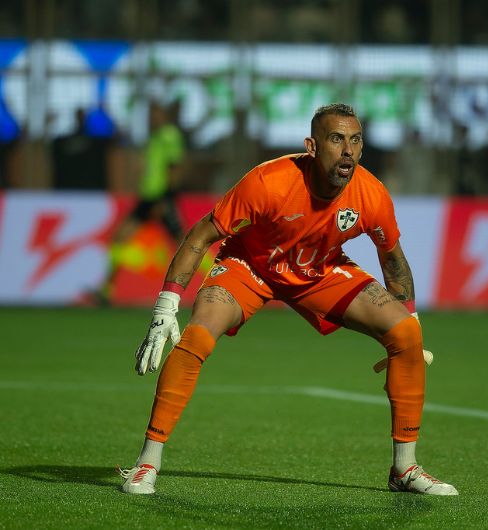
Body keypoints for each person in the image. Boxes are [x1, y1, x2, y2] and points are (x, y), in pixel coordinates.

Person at [117, 103, 458, 496]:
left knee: (405, 337)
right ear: (311, 146)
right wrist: (166, 306)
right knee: (196, 337)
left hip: (319, 271)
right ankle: (147, 463)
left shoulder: (371, 194)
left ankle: (404, 470)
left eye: (355, 140)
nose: (348, 150)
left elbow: (392, 260)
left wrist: (411, 325)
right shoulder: (268, 182)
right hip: (251, 267)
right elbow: (201, 236)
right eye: (336, 139)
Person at [99, 101, 186, 302]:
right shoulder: (154, 138)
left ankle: (216, 282)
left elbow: (174, 167)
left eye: (155, 114)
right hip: (147, 198)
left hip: (162, 198)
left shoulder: (168, 135)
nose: (151, 119)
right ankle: (106, 290)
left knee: (186, 244)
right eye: (149, 115)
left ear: (163, 115)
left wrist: (166, 198)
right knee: (119, 237)